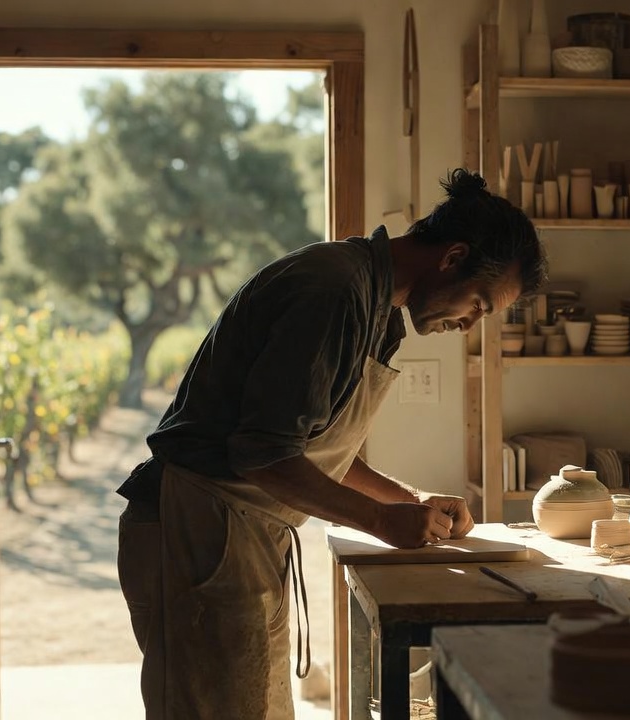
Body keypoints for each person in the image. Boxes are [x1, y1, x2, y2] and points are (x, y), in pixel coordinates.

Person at [115, 168, 547, 719]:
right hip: (198, 527)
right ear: (453, 257)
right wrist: (380, 522)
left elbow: (313, 452)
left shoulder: (376, 305)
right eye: (480, 305)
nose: (469, 324)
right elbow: (263, 453)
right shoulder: (333, 289)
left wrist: (406, 501)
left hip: (242, 534)